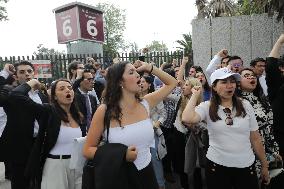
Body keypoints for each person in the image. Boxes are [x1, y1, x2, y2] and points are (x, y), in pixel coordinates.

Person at [83, 61, 178, 189]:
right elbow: (87, 149)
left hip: (148, 174)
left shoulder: (146, 103)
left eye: (137, 71)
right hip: (121, 177)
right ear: (119, 82)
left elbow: (172, 83)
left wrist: (149, 68)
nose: (138, 75)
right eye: (131, 72)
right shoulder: (104, 111)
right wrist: (122, 154)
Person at [182, 67, 270, 189]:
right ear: (214, 87)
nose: (230, 85)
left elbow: (255, 138)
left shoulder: (245, 105)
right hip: (217, 167)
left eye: (232, 81)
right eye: (224, 82)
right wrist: (194, 95)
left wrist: (264, 165)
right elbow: (187, 118)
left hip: (246, 166)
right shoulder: (207, 106)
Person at [10, 78, 86, 189]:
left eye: (70, 88)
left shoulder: (78, 115)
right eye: (62, 88)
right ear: (54, 96)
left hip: (77, 166)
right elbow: (15, 96)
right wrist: (32, 82)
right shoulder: (48, 111)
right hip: (56, 167)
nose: (67, 90)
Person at [0, 61, 48, 189]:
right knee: (21, 184)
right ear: (15, 77)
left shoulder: (41, 96)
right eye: (22, 72)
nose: (26, 74)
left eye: (29, 71)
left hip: (39, 145)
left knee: (40, 182)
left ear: (34, 73)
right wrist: (4, 73)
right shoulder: (10, 93)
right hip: (20, 148)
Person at [239, 68, 281, 179]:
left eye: (253, 75)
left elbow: (269, 127)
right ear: (238, 82)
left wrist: (274, 150)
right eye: (246, 76)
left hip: (266, 150)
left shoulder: (262, 99)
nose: (251, 77)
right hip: (248, 150)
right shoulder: (237, 102)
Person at [140, 75, 167, 189]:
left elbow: (163, 114)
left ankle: (160, 184)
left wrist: (157, 123)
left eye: (143, 82)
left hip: (152, 133)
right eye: (139, 81)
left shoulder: (155, 97)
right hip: (138, 134)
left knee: (155, 159)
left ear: (149, 84)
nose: (140, 83)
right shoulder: (133, 97)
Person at [266, 33, 284, 159]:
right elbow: (271, 64)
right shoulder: (278, 85)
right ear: (282, 68)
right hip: (280, 138)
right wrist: (280, 42)